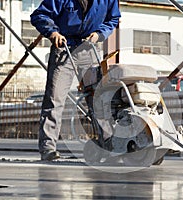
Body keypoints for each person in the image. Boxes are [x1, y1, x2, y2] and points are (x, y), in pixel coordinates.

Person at [30, 0, 121, 161]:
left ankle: (107, 144)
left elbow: (113, 19)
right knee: (54, 99)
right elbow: (39, 15)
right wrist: (53, 33)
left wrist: (99, 34)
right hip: (64, 49)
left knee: (98, 100)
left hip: (90, 50)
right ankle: (48, 149)